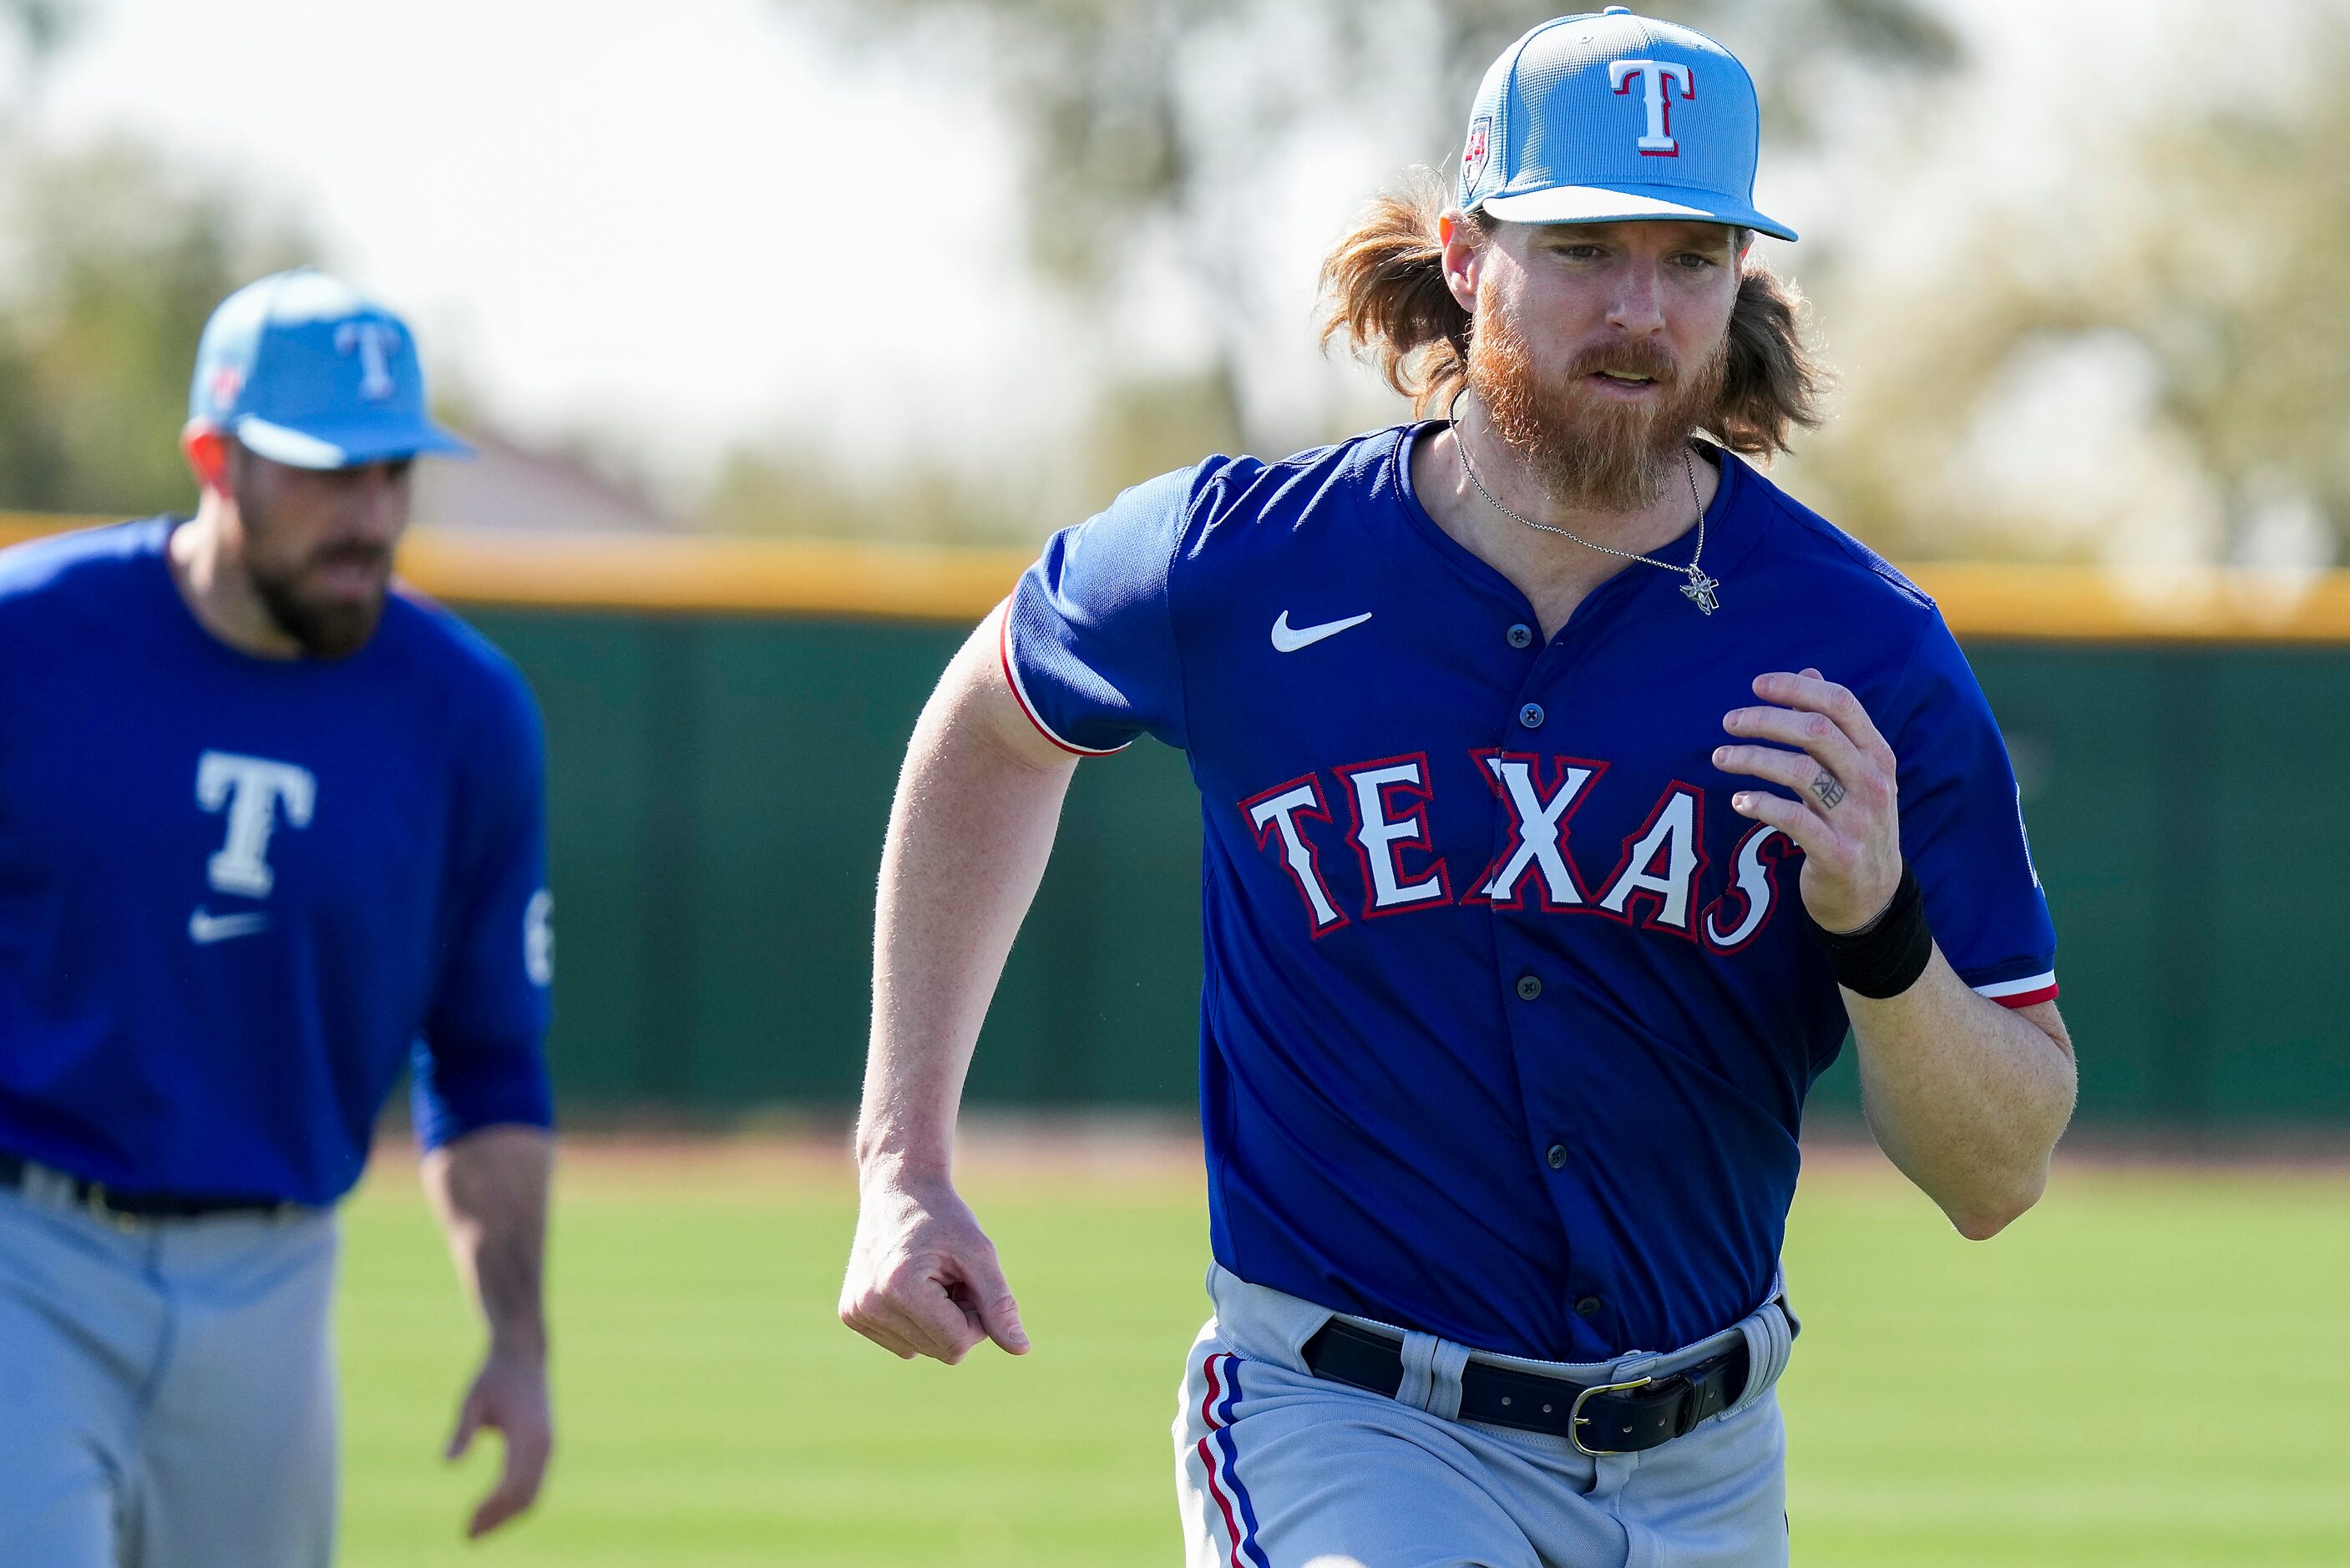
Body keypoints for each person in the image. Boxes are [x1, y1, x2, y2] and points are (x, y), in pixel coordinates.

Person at [841, 9, 2074, 1565]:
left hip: (1709, 1471)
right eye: (1581, 247)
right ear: (1466, 251)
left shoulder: (1863, 650)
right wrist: (904, 1163)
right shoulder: (1247, 559)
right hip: (1346, 1425)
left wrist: (1879, 931)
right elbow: (994, 720)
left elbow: (1999, 1169)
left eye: (1691, 258)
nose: (1638, 308)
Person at [0, 269, 558, 1565]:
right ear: (214, 456)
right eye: (327, 473)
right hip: (24, 1252)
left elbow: (485, 1061)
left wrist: (518, 1344)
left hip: (276, 1281)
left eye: (393, 475)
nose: (370, 515)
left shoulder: (465, 715)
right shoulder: (27, 644)